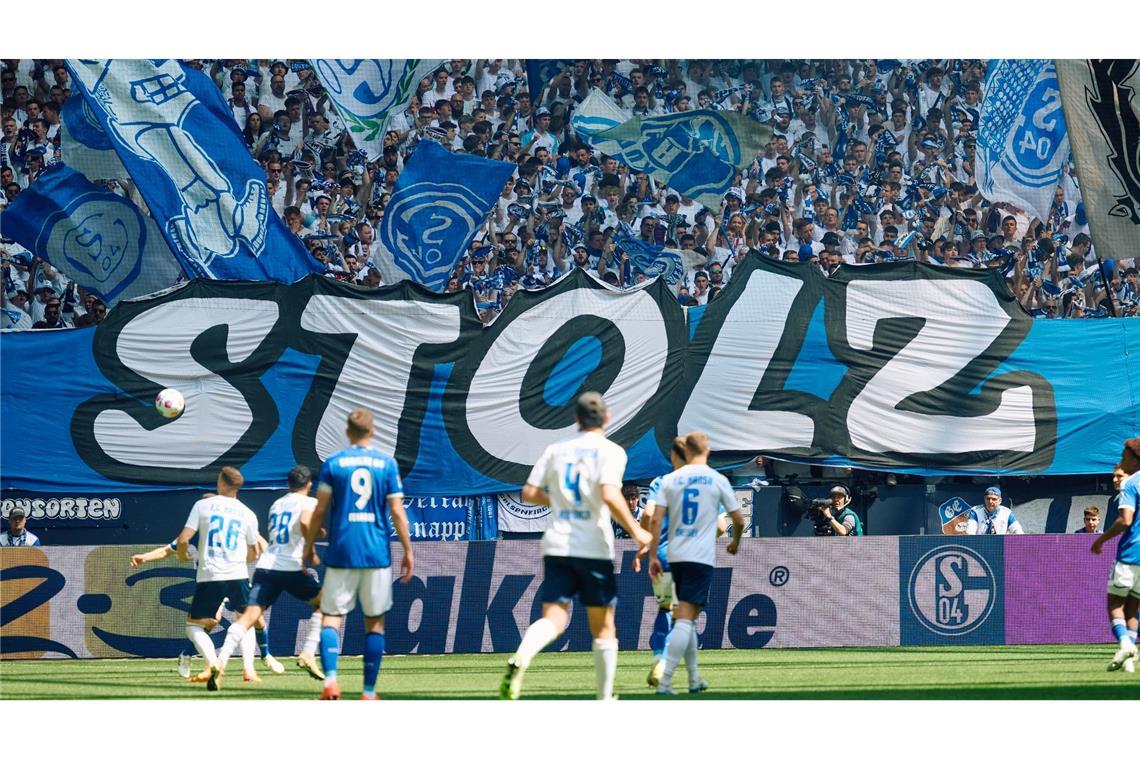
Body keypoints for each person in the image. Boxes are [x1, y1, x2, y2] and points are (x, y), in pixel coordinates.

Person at [500, 391, 652, 701]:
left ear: (576, 419)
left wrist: (561, 500)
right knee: (604, 627)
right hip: (593, 546)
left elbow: (529, 493)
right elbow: (610, 495)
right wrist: (637, 531)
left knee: (554, 618)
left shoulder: (556, 450)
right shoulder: (612, 452)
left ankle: (522, 657)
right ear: (606, 418)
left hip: (557, 544)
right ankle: (604, 698)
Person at [302, 408, 414, 700]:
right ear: (372, 431)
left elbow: (320, 511)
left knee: (331, 617)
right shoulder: (386, 464)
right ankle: (368, 691)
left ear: (348, 432)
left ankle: (330, 682)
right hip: (376, 552)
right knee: (374, 622)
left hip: (341, 550)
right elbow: (398, 513)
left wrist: (308, 546)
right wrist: (408, 550)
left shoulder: (334, 464)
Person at [211, 465, 327, 687]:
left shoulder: (277, 504)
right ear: (309, 484)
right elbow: (303, 522)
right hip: (290, 567)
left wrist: (314, 531)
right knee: (326, 604)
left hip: (266, 567)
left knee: (247, 618)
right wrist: (310, 549)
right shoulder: (310, 502)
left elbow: (291, 528)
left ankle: (221, 663)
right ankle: (308, 652)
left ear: (289, 484)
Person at [648, 431, 745, 695]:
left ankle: (694, 678)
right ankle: (665, 680)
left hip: (675, 555)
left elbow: (654, 520)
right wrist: (735, 542)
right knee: (684, 618)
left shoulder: (669, 480)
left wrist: (653, 554)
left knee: (684, 617)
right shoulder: (717, 479)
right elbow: (737, 521)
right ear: (708, 450)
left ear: (684, 451)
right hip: (700, 557)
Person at [129, 531, 274, 681]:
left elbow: (261, 547)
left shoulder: (240, 520)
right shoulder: (203, 525)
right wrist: (145, 557)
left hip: (236, 578)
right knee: (211, 622)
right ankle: (189, 655)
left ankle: (260, 659)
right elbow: (171, 548)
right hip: (210, 580)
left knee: (253, 619)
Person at [175, 467, 261, 692]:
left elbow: (184, 539)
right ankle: (248, 668)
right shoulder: (248, 513)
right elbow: (254, 552)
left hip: (210, 575)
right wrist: (240, 559)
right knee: (246, 621)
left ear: (221, 483)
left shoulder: (202, 506)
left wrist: (183, 555)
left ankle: (213, 663)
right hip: (237, 574)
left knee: (194, 627)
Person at [639, 436, 687, 687]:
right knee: (685, 614)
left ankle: (660, 655)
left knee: (666, 607)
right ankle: (682, 668)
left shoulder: (661, 482)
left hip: (666, 555)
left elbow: (648, 515)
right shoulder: (707, 482)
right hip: (693, 557)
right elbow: (722, 526)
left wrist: (646, 543)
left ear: (672, 457)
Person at [1091, 438, 1140, 673]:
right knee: (1132, 608)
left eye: (1124, 456)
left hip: (1131, 553)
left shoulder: (1131, 484)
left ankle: (1124, 643)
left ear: (1134, 458)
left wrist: (1101, 539)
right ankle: (1128, 658)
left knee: (1114, 604)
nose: (1122, 460)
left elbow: (1125, 520)